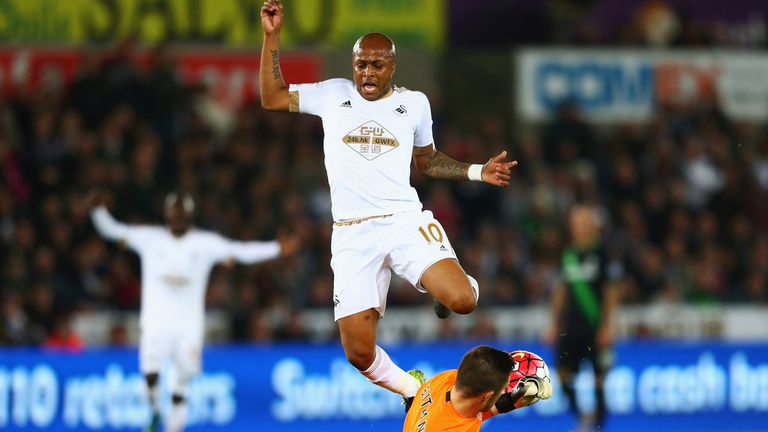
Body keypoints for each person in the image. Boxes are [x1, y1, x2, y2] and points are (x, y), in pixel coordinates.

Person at [259, 0, 518, 404]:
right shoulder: (332, 94)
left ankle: (447, 284)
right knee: (358, 352)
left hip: (402, 220)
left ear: (393, 67)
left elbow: (428, 160)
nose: (367, 72)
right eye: (361, 63)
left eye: (377, 65)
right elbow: (272, 96)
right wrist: (272, 37)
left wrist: (475, 171)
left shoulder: (414, 104)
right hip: (351, 234)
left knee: (463, 301)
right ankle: (414, 390)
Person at [89, 191, 299, 432]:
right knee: (150, 375)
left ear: (190, 215)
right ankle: (156, 411)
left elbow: (240, 251)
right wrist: (98, 212)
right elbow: (113, 231)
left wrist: (276, 249)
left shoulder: (205, 244)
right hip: (155, 322)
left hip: (188, 326)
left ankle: (173, 424)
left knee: (182, 381)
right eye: (173, 212)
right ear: (166, 214)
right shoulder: (150, 239)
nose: (177, 217)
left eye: (182, 213)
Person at [544, 205, 622, 430]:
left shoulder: (603, 253)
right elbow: (560, 292)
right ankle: (581, 415)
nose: (580, 227)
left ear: (593, 225)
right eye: (576, 222)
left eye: (584, 221)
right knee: (562, 373)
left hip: (595, 325)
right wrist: (554, 324)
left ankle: (598, 423)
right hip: (570, 326)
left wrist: (607, 326)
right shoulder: (568, 255)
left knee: (599, 378)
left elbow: (610, 292)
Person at [402, 346, 552, 432]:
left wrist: (513, 400)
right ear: (487, 396)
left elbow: (477, 410)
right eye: (502, 390)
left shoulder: (444, 379)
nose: (503, 392)